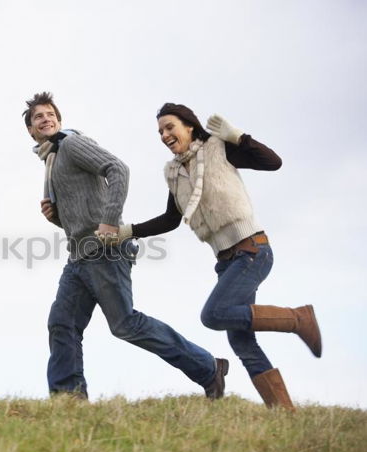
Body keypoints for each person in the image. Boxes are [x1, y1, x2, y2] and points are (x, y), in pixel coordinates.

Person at [103, 103, 322, 410]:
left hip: (252, 250)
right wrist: (128, 232)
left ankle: (299, 318)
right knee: (242, 341)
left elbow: (273, 162)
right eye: (160, 131)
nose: (165, 135)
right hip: (227, 261)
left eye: (169, 127)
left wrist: (239, 136)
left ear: (189, 126)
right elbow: (170, 218)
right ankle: (284, 412)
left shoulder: (218, 149)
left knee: (213, 315)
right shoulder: (175, 171)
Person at [23, 92, 228, 401]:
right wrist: (56, 217)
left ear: (59, 120)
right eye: (38, 117)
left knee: (125, 324)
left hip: (106, 251)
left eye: (50, 114)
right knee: (61, 323)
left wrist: (109, 222)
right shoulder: (52, 161)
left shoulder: (72, 144)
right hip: (79, 257)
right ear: (31, 130)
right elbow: (78, 218)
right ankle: (68, 398)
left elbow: (118, 169)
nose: (46, 119)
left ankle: (208, 367)